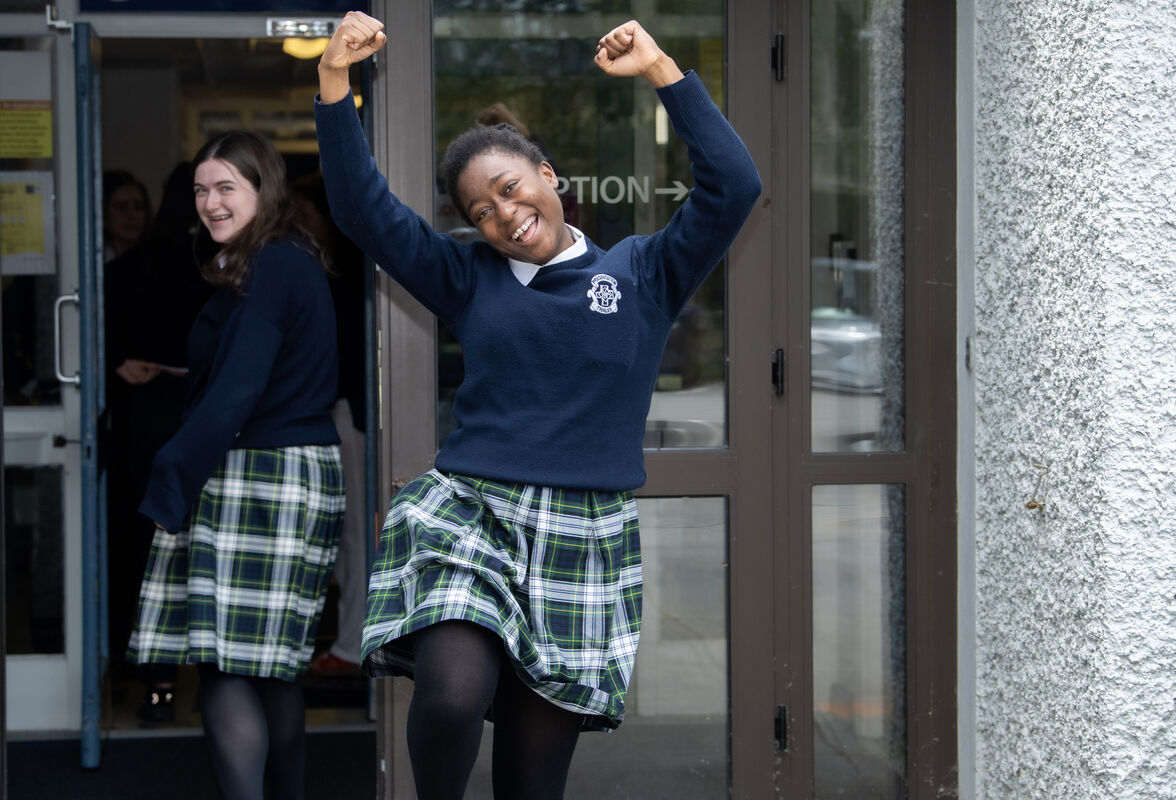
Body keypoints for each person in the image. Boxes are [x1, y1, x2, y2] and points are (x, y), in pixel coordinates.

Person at [315, 12, 760, 800]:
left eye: (509, 189)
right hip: (475, 514)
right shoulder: (465, 275)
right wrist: (334, 82)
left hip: (584, 538)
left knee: (530, 781)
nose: (503, 216)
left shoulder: (642, 274)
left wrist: (660, 66)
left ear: (548, 176)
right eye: (480, 212)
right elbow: (363, 211)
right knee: (452, 693)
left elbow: (734, 185)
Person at [126, 130, 345, 799]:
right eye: (200, 189)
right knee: (269, 670)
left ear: (262, 189)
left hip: (259, 475)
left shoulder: (271, 265)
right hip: (292, 472)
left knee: (225, 669)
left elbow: (238, 390)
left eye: (227, 187)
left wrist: (170, 477)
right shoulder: (284, 259)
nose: (210, 202)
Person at [105, 162, 215, 724]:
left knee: (143, 547)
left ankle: (155, 679)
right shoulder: (215, 271)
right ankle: (212, 674)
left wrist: (116, 366)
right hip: (197, 418)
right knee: (201, 545)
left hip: (144, 419)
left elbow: (101, 348)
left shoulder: (127, 271)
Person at [291, 172, 369, 676]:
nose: (298, 226)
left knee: (359, 534)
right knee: (348, 534)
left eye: (306, 216)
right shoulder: (328, 270)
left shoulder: (343, 273)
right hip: (339, 411)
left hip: (350, 414)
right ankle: (349, 639)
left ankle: (353, 642)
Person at [103, 169, 150, 262]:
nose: (132, 216)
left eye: (138, 207)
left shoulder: (155, 259)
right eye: (121, 207)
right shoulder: (97, 263)